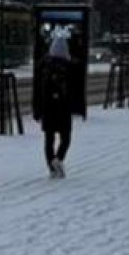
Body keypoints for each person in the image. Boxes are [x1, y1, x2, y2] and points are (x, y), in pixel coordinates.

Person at [37, 31, 74, 178]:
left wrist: (39, 109)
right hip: (63, 108)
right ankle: (58, 159)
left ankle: (51, 166)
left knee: (49, 139)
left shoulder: (44, 66)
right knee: (66, 138)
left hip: (48, 108)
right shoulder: (67, 67)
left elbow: (39, 88)